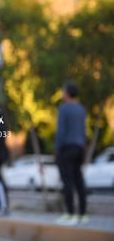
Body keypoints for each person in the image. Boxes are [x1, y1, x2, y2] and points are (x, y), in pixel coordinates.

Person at [55, 80, 88, 225]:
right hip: (79, 148)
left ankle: (70, 213)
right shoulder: (81, 109)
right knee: (79, 181)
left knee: (67, 181)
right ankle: (82, 214)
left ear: (67, 93)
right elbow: (83, 131)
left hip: (67, 148)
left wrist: (57, 148)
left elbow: (61, 131)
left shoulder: (64, 109)